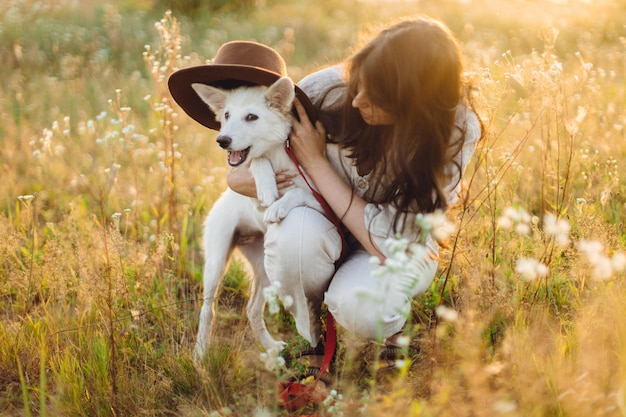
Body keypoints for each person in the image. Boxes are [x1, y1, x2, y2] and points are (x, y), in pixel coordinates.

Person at [227, 16, 483, 382]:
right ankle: (310, 336)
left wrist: (316, 163)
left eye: (376, 96)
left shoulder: (456, 127)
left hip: (395, 240)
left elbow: (391, 247)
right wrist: (256, 178)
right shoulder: (325, 89)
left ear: (415, 103)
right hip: (320, 221)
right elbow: (239, 172)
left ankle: (392, 328)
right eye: (357, 83)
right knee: (295, 242)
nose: (358, 99)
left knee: (363, 305)